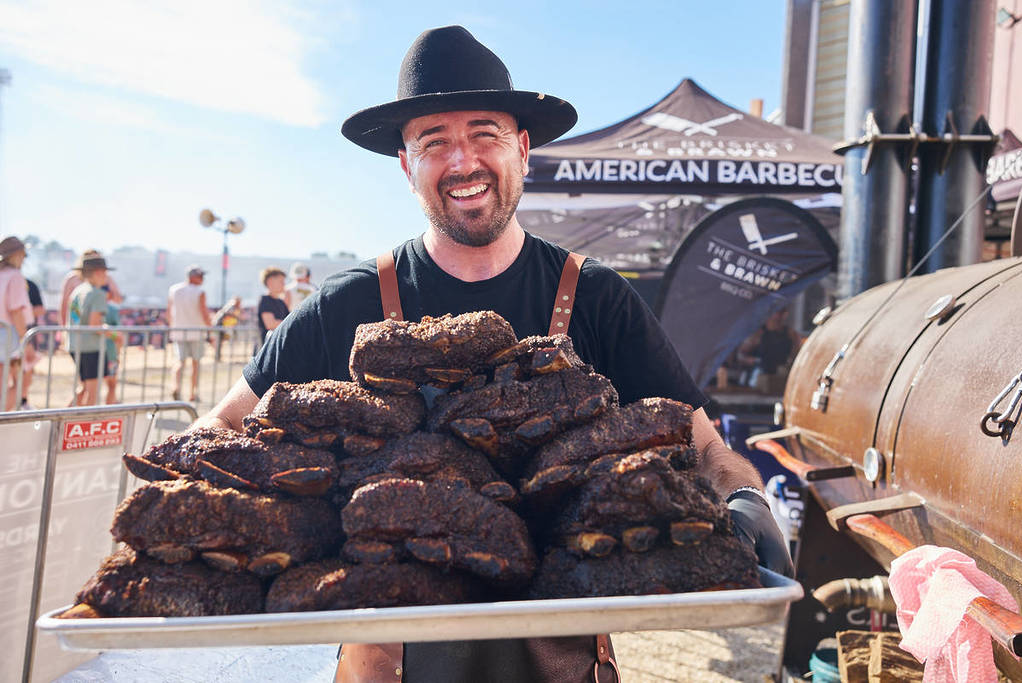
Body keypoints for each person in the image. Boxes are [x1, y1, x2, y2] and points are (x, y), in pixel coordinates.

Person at [198, 26, 792, 682]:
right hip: (386, 665)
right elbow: (221, 428)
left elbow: (705, 447)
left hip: (559, 660)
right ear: (405, 164)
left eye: (485, 133)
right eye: (434, 141)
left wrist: (747, 499)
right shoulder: (352, 304)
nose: (463, 161)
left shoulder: (593, 298)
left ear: (523, 148)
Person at [67, 251, 115, 406]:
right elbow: (95, 325)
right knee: (92, 394)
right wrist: (112, 333)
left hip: (75, 345)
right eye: (105, 272)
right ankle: (84, 424)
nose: (106, 276)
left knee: (84, 388)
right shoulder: (97, 294)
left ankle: (62, 419)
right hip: (91, 348)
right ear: (98, 272)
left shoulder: (78, 291)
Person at [167, 265, 213, 402]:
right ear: (193, 277)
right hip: (197, 332)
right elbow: (204, 312)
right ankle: (193, 393)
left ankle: (176, 387)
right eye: (200, 276)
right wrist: (210, 328)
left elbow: (169, 311)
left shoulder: (174, 289)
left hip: (179, 331)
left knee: (179, 362)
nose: (202, 279)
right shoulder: (200, 291)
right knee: (195, 363)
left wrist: (172, 327)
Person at [0, 236, 34, 411]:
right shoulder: (15, 276)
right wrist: (25, 340)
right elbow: (16, 310)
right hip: (10, 335)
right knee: (23, 379)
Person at [738, 308, 803, 391]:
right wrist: (752, 360)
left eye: (783, 313)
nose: (780, 316)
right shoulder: (757, 334)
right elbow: (740, 355)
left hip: (780, 379)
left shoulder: (791, 335)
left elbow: (798, 357)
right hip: (757, 379)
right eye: (778, 312)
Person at [20, 277, 46, 409]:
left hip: (26, 335)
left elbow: (40, 309)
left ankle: (23, 401)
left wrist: (23, 311)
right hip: (18, 337)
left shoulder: (30, 285)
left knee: (26, 372)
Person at [255, 266, 288, 352]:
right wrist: (288, 323)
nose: (284, 284)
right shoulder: (265, 300)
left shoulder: (281, 302)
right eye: (281, 281)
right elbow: (270, 324)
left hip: (277, 348)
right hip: (266, 349)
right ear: (270, 282)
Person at [101, 284, 123, 404]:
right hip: (110, 352)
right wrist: (118, 353)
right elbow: (118, 335)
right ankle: (108, 409)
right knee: (112, 384)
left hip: (91, 350)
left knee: (86, 387)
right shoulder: (112, 309)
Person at [211, 296, 242, 361]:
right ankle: (217, 357)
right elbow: (230, 315)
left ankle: (218, 357)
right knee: (219, 341)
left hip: (222, 325)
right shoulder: (232, 306)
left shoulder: (232, 306)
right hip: (219, 325)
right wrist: (236, 316)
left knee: (220, 341)